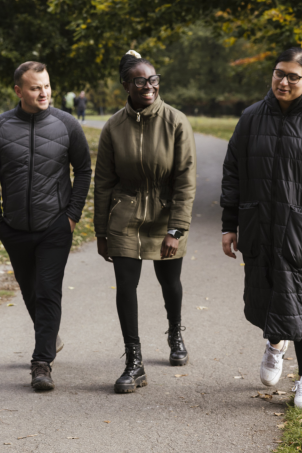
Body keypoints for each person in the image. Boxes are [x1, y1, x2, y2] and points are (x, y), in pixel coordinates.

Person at [221, 47, 302, 410]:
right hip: (260, 223)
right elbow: (233, 171)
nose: (284, 82)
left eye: (293, 76)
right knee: (269, 290)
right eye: (279, 73)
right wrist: (229, 224)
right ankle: (275, 343)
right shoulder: (252, 117)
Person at [0, 61, 92, 391]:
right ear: (19, 90)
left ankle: (41, 363)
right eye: (35, 87)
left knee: (47, 289)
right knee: (30, 290)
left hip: (55, 225)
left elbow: (83, 170)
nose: (43, 93)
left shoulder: (67, 125)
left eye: (46, 86)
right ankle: (49, 334)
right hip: (14, 227)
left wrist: (72, 215)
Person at [93, 50, 197, 394]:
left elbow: (185, 180)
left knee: (170, 283)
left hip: (166, 216)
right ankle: (134, 361)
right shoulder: (113, 127)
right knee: (125, 287)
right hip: (125, 216)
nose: (149, 86)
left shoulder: (176, 122)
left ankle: (175, 332)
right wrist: (101, 231)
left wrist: (175, 229)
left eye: (153, 79)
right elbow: (103, 182)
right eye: (140, 81)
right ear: (126, 85)